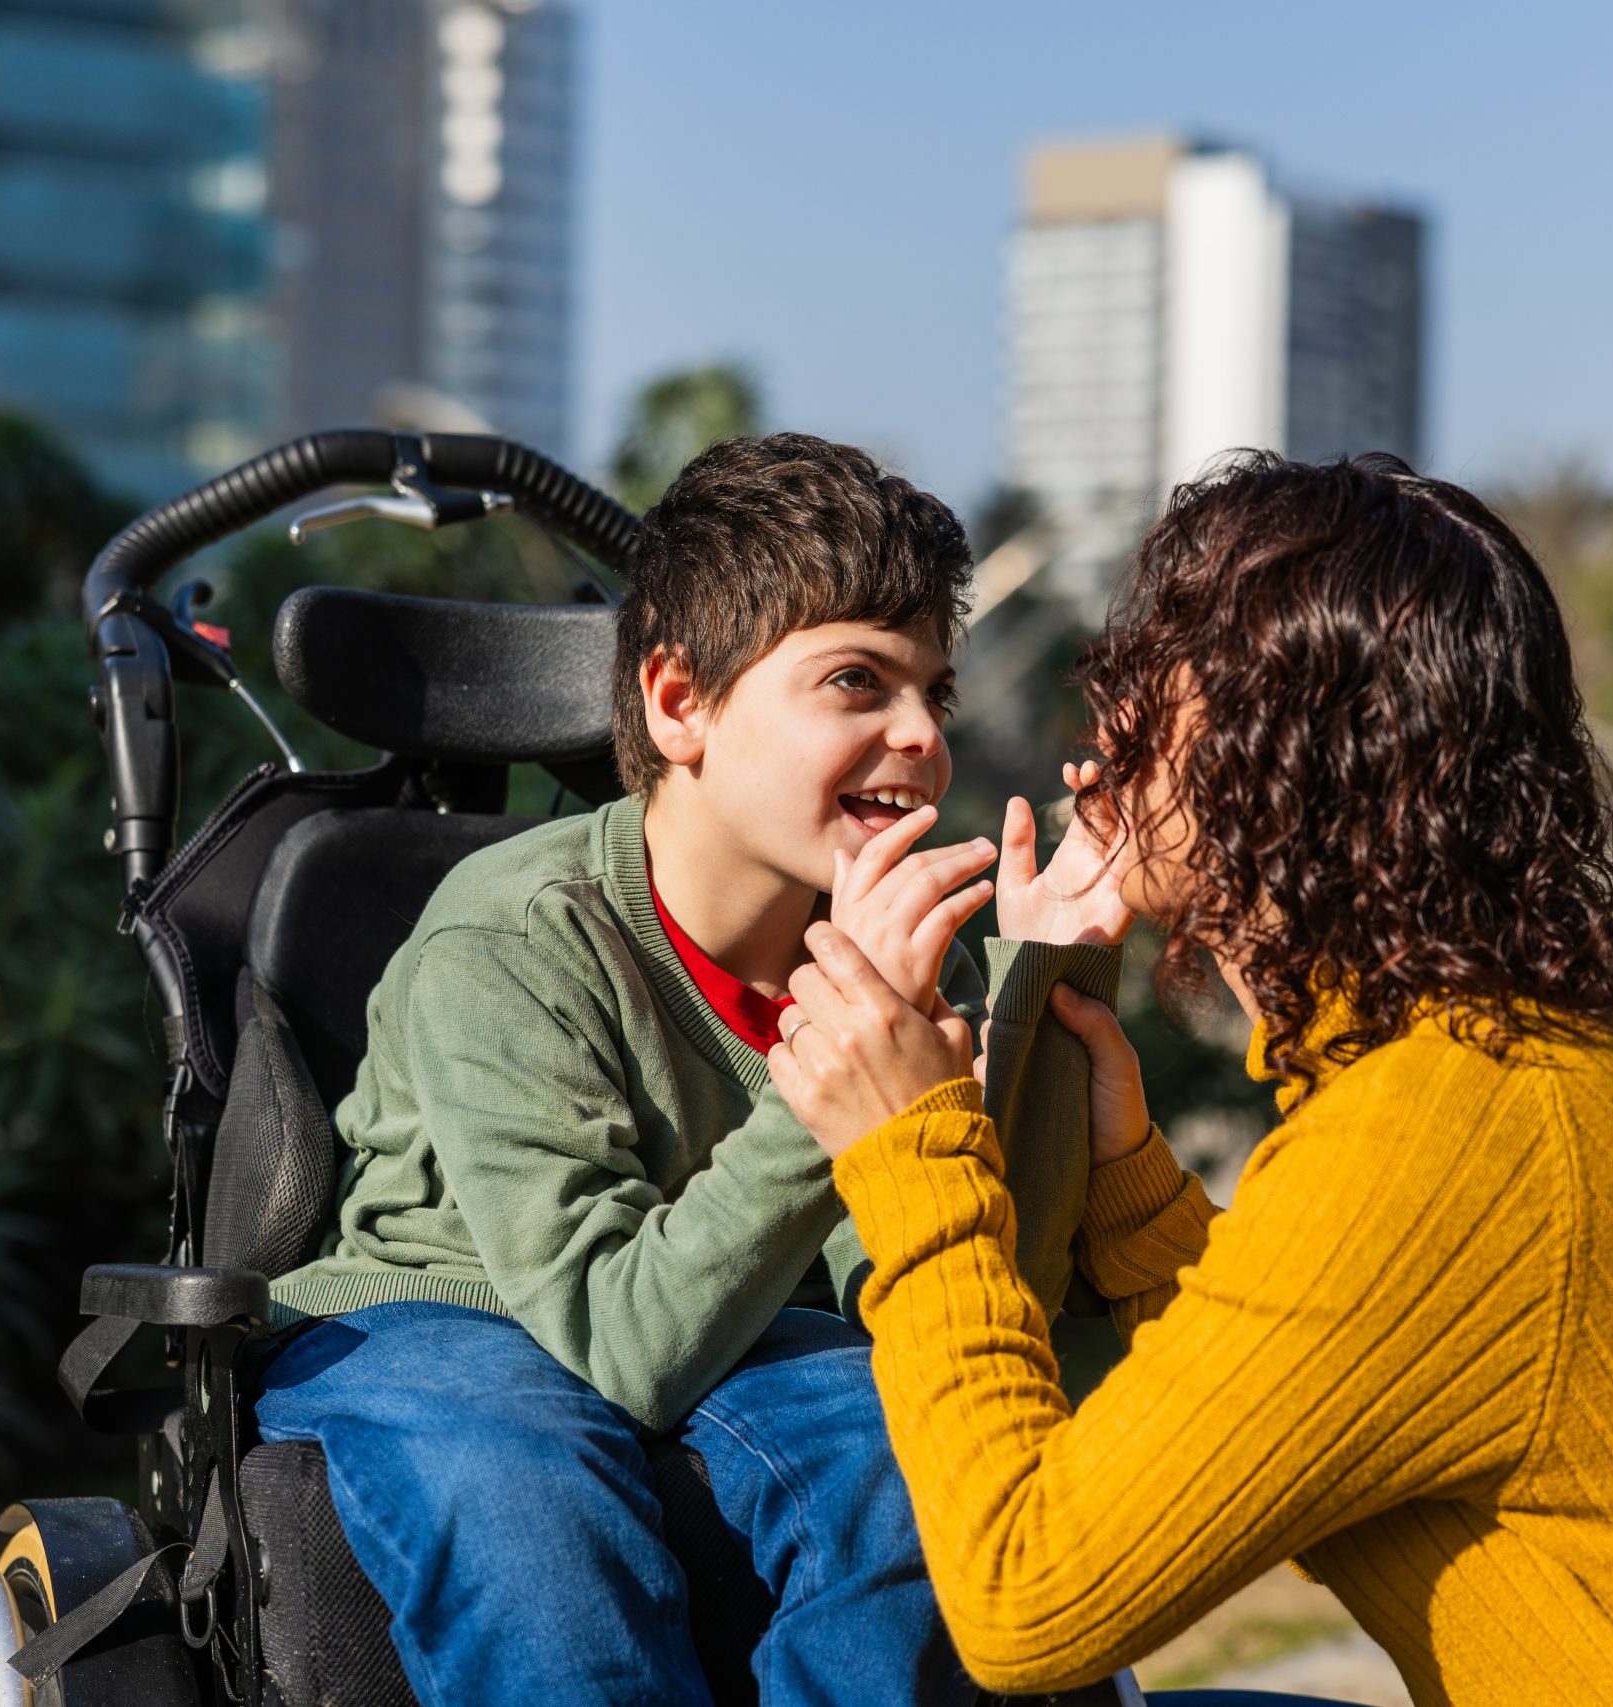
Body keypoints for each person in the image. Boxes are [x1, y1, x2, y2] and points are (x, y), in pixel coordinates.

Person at [766, 453, 1613, 1705]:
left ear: (1269, 755)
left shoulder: (1446, 1136)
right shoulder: (1516, 1056)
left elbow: (1026, 1601)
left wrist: (911, 1150)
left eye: (1140, 703)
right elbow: (1313, 1389)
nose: (1098, 746)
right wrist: (1127, 1186)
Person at [259, 434, 1117, 1706]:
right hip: (451, 1313)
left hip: (751, 1329)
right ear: (679, 703)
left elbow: (995, 1305)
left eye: (932, 692)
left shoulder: (903, 967)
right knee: (531, 1509)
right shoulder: (516, 934)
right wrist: (836, 1073)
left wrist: (1052, 980)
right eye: (856, 682)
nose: (919, 734)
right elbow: (627, 1342)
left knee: (926, 1469)